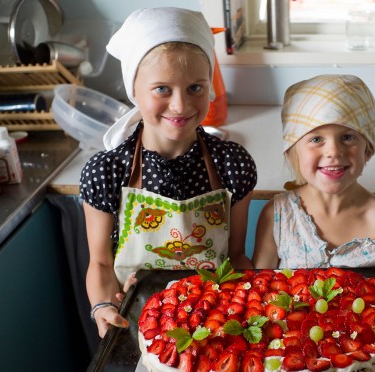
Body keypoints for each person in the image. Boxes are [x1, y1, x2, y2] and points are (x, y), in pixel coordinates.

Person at [80, 7, 257, 338]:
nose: (181, 105)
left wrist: (251, 307)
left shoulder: (231, 164)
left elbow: (235, 257)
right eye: (162, 89)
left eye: (195, 88)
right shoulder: (106, 171)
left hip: (214, 324)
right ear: (135, 89)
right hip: (137, 323)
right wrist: (101, 308)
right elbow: (101, 264)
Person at [252, 74, 375, 355]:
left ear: (367, 149)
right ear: (293, 149)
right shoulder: (278, 216)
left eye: (348, 137)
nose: (333, 151)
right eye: (316, 138)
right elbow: (258, 293)